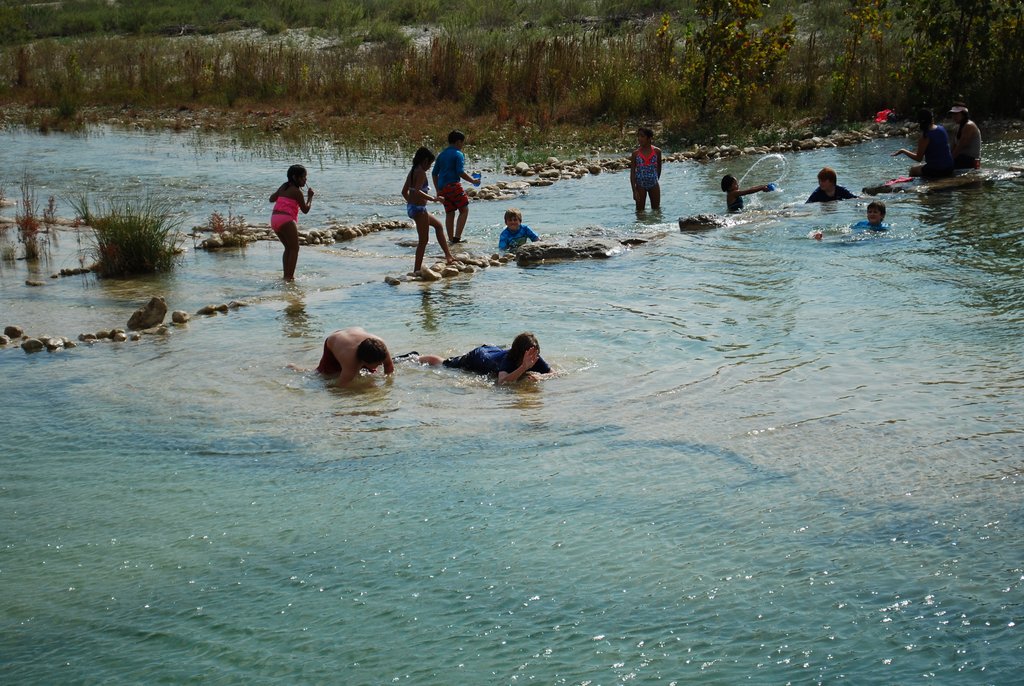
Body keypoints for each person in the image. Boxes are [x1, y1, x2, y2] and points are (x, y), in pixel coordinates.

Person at [416, 332, 553, 385]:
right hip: (479, 356)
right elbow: (502, 382)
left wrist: (542, 377)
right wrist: (524, 367)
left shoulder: (533, 356)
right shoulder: (509, 359)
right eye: (530, 353)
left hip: (493, 350)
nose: (533, 356)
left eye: (535, 352)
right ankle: (416, 358)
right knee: (444, 364)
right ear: (520, 353)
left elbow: (557, 373)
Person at [402, 147, 455, 273]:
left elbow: (404, 192)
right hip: (419, 209)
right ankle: (416, 270)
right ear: (425, 161)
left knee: (438, 226)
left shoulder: (413, 171)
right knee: (423, 241)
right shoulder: (421, 172)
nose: (429, 167)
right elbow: (418, 190)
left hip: (414, 208)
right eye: (430, 164)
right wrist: (433, 199)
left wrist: (411, 203)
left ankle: (448, 256)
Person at [432, 130, 480, 244]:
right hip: (453, 185)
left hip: (443, 188)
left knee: (450, 212)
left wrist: (438, 190)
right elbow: (460, 172)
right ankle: (457, 237)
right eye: (462, 143)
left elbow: (434, 173)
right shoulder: (458, 154)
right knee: (464, 209)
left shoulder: (441, 155)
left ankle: (450, 239)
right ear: (458, 142)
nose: (462, 146)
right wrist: (472, 180)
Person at [269, 164, 314, 281]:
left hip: (275, 219)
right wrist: (310, 197)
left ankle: (286, 276)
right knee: (295, 249)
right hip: (286, 220)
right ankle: (290, 277)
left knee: (288, 248)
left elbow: (271, 199)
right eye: (303, 177)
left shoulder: (283, 186)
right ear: (295, 177)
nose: (305, 180)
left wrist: (280, 193)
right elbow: (305, 210)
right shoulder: (297, 192)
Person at [315, 327, 395, 387]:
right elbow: (342, 385)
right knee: (327, 374)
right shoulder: (350, 360)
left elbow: (389, 366)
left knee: (370, 372)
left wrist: (388, 384)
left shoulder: (380, 345)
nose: (381, 364)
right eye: (378, 363)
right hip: (335, 340)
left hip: (353, 334)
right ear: (363, 361)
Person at [892, 108, 954, 178]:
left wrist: (903, 150)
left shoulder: (925, 136)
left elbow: (918, 158)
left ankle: (911, 186)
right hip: (950, 167)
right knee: (924, 165)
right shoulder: (941, 128)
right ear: (931, 118)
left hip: (939, 170)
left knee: (913, 170)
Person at [630, 127, 662, 212]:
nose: (639, 139)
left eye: (642, 136)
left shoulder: (657, 151)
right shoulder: (635, 154)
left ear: (649, 138)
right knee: (640, 213)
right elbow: (632, 173)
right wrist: (634, 190)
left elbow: (659, 168)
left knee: (656, 211)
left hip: (654, 185)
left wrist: (655, 179)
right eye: (638, 136)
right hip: (640, 185)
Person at [949, 103, 982, 170]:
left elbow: (960, 147)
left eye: (956, 114)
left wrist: (949, 160)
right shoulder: (958, 126)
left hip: (969, 160)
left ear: (963, 115)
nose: (954, 116)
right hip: (962, 158)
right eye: (953, 114)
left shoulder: (969, 125)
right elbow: (954, 147)